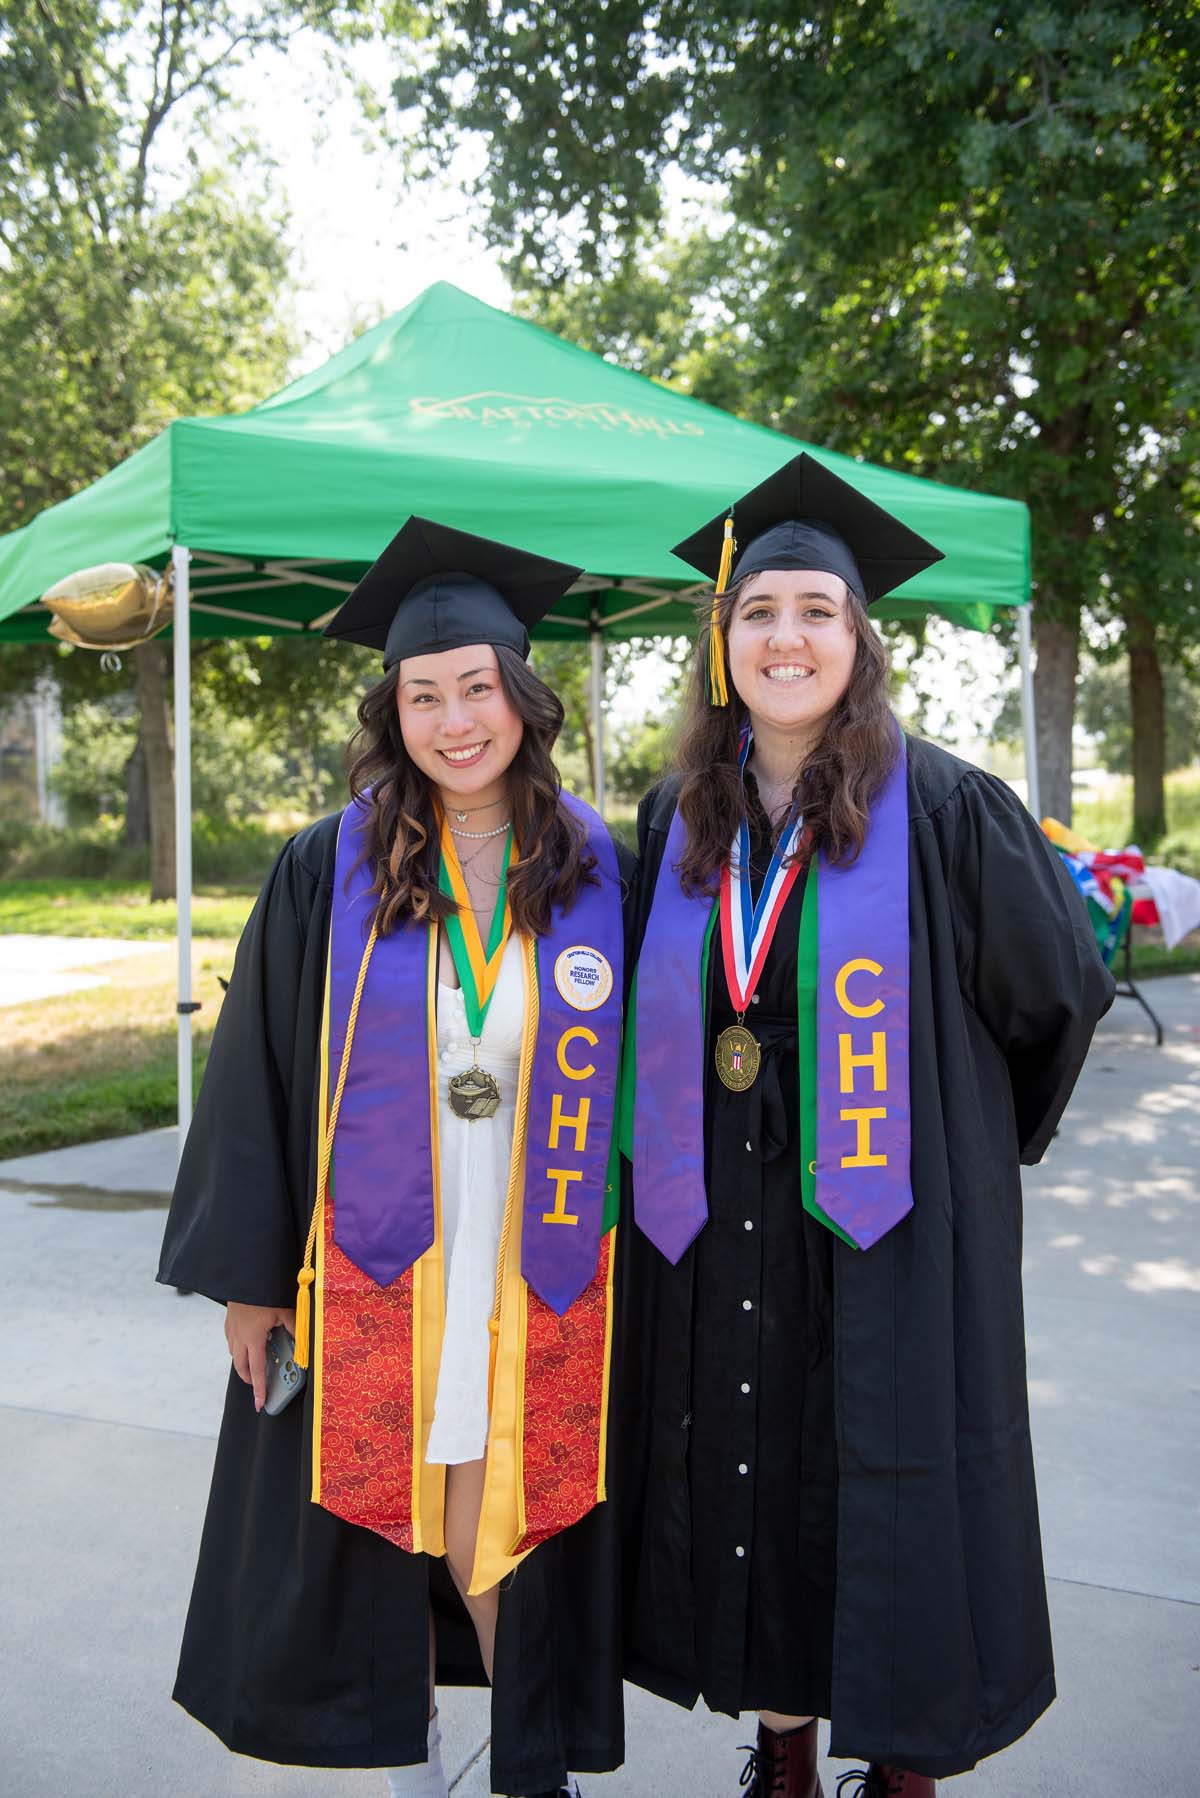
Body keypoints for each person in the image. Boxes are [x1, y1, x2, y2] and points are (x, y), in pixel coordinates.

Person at [618, 455, 1115, 1797]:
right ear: (721, 642)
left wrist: (958, 1143)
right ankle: (780, 1745)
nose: (787, 635)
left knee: (895, 1465)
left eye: (817, 611)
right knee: (755, 1465)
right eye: (759, 609)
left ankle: (902, 1765)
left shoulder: (948, 807)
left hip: (893, 1224)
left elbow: (1057, 992)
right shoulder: (678, 821)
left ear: (861, 639)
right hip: (722, 1226)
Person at [158, 516, 633, 1798]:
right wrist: (254, 1276)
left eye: (477, 686)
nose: (453, 719)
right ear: (394, 710)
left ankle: (533, 1773)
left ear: (522, 696)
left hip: (538, 1253)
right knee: (387, 1515)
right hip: (382, 1252)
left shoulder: (601, 868)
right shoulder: (333, 865)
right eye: (422, 694)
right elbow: (254, 1069)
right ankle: (413, 1770)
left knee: (500, 1518)